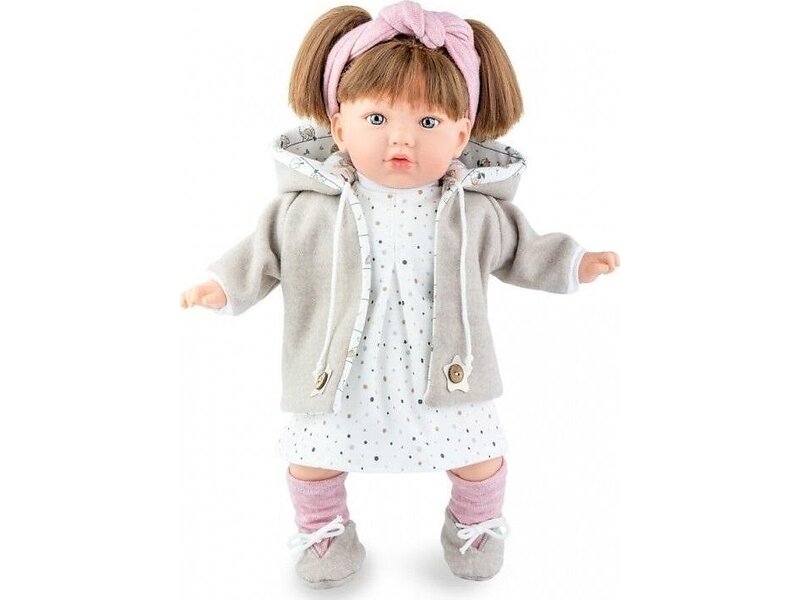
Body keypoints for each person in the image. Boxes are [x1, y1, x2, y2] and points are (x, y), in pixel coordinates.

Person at [180, 0, 619, 589]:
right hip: (343, 370)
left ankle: (475, 525)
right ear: (339, 124)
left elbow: (525, 249)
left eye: (429, 123)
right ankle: (324, 530)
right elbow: (261, 254)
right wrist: (221, 286)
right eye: (377, 118)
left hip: (445, 369)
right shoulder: (306, 210)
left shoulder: (472, 212)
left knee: (479, 454)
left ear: (462, 133)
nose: (401, 139)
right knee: (312, 460)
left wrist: (574, 262)